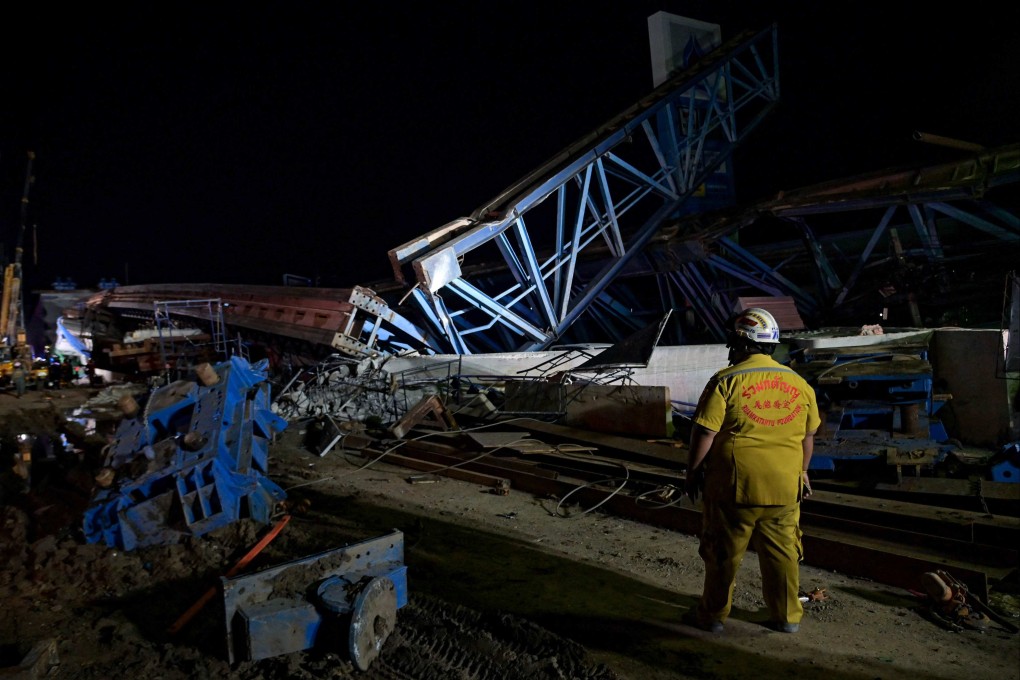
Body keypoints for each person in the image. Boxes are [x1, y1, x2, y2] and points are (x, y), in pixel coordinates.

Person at [684, 307, 820, 634]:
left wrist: (692, 473)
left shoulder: (726, 380)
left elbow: (705, 432)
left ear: (742, 343)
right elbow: (808, 435)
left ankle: (713, 616)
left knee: (723, 554)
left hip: (735, 487)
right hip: (785, 487)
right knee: (783, 553)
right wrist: (802, 472)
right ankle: (787, 617)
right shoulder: (799, 383)